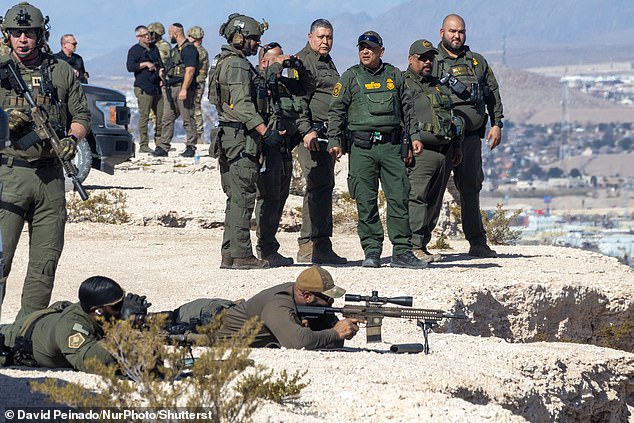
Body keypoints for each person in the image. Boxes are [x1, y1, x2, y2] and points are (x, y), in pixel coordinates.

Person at [0, 2, 90, 319]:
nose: (22, 39)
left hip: (51, 177)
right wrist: (5, 120)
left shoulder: (60, 71)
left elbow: (81, 115)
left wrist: (71, 139)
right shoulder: (0, 70)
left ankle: (26, 333)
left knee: (45, 261)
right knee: (1, 259)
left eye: (29, 33)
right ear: (7, 34)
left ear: (41, 34)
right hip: (9, 175)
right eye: (16, 33)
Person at [327, 31, 428, 269]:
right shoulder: (350, 77)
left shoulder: (394, 75)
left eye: (370, 48)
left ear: (381, 51)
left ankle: (402, 251)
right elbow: (336, 110)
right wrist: (334, 139)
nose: (365, 51)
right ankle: (372, 251)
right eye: (362, 47)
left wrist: (414, 136)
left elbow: (408, 110)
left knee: (399, 198)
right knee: (365, 199)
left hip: (392, 147)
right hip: (362, 148)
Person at [209, 13, 283, 270]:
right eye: (253, 39)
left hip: (228, 136)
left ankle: (229, 253)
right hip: (241, 138)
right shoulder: (238, 65)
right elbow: (243, 105)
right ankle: (241, 255)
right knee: (243, 195)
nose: (256, 44)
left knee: (234, 197)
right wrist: (266, 132)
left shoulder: (224, 61)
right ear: (239, 38)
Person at [432, 14, 504, 258]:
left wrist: (497, 124)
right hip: (441, 140)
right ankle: (418, 245)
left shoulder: (476, 62)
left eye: (461, 32)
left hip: (471, 138)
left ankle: (477, 242)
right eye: (452, 31)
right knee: (433, 189)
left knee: (471, 188)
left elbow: (492, 92)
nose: (457, 36)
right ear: (442, 32)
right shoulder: (431, 60)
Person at [0, 276, 150, 371]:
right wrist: (124, 327)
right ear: (97, 311)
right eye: (117, 306)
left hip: (42, 322)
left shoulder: (97, 313)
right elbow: (91, 361)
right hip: (11, 338)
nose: (122, 309)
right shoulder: (71, 328)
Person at [404, 39, 464, 263]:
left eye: (430, 58)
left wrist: (456, 145)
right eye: (422, 58)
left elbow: (451, 118)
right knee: (417, 199)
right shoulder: (404, 84)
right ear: (411, 59)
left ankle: (423, 244)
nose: (427, 62)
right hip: (420, 153)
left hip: (443, 152)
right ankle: (413, 246)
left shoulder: (439, 86)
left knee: (434, 201)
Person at [294, 19, 346, 265]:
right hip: (312, 134)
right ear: (310, 36)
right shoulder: (304, 61)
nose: (325, 41)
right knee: (315, 186)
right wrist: (306, 130)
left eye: (329, 37)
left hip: (327, 134)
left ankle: (323, 245)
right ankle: (308, 246)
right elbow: (299, 100)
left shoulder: (326, 62)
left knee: (325, 187)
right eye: (321, 37)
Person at [254, 42, 310, 267]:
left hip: (286, 147)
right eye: (276, 59)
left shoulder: (285, 85)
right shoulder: (258, 82)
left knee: (280, 197)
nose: (281, 63)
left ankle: (269, 245)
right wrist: (275, 68)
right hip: (267, 148)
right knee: (268, 198)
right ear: (264, 62)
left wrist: (297, 67)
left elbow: (305, 90)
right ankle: (265, 248)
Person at [209, 265, 360, 348]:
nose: (331, 303)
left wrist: (339, 330)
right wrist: (335, 332)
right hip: (203, 318)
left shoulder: (301, 298)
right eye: (328, 299)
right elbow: (299, 342)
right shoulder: (278, 304)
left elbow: (328, 341)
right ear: (307, 296)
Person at [152, 23, 198, 158]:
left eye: (170, 33)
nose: (169, 36)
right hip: (170, 88)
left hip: (182, 87)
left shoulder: (189, 49)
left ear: (175, 33)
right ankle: (163, 146)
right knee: (167, 118)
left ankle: (191, 146)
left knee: (187, 117)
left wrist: (184, 89)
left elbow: (190, 70)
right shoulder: (175, 50)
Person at [126, 25, 163, 154]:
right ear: (138, 37)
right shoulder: (134, 50)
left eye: (149, 34)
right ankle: (144, 144)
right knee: (144, 116)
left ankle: (160, 143)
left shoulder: (154, 49)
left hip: (156, 87)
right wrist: (145, 64)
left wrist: (161, 74)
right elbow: (130, 67)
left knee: (160, 116)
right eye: (144, 35)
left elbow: (160, 65)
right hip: (143, 87)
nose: (148, 37)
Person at [187, 26, 209, 144]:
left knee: (195, 107)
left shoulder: (199, 51)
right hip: (194, 82)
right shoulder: (197, 50)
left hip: (197, 83)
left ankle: (198, 135)